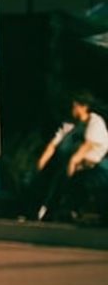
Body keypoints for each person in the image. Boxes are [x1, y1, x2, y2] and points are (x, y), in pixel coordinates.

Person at [35, 92, 108, 222]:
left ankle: (77, 210)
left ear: (83, 107)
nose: (71, 109)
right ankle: (46, 211)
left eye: (74, 106)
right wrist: (42, 161)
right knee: (52, 179)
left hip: (93, 167)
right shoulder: (69, 125)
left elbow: (88, 145)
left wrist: (73, 163)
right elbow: (53, 145)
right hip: (69, 166)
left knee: (78, 181)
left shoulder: (94, 121)